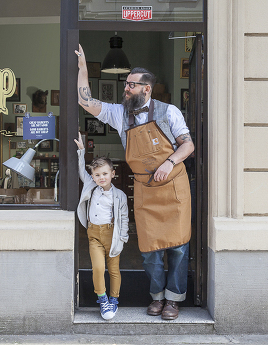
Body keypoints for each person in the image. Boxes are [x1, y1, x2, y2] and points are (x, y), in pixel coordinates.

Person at [75, 44, 194, 320]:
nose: (125, 89)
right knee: (150, 250)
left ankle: (174, 300)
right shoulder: (119, 114)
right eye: (126, 84)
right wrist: (83, 69)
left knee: (178, 247)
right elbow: (86, 102)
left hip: (174, 186)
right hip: (145, 188)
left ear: (146, 89)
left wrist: (169, 162)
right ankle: (157, 297)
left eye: (131, 85)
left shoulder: (169, 112)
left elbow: (187, 145)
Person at [74, 132, 129, 320]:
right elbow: (82, 171)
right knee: (97, 268)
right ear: (93, 176)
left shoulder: (120, 195)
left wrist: (123, 238)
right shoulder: (90, 186)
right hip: (94, 234)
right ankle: (102, 298)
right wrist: (82, 151)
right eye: (97, 175)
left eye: (105, 174)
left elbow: (124, 217)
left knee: (113, 269)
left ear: (113, 174)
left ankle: (114, 299)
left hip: (112, 234)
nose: (101, 177)